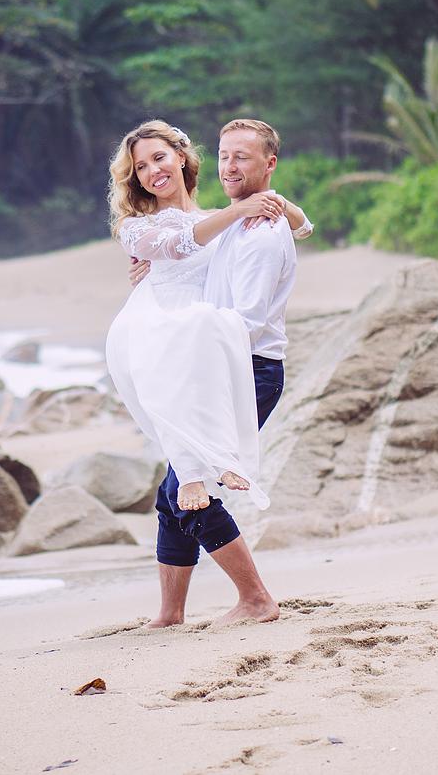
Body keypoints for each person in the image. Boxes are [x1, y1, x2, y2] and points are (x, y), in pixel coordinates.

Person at [104, 118, 311, 628]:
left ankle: (256, 598)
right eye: (140, 166)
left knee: (188, 491)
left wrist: (279, 206)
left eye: (160, 158)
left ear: (181, 157)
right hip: (183, 371)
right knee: (172, 492)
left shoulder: (236, 222)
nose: (153, 171)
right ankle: (170, 613)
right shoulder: (145, 227)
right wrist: (243, 208)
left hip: (230, 368)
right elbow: (178, 246)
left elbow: (298, 227)